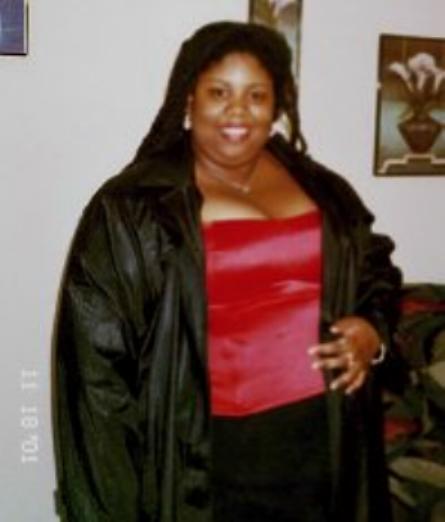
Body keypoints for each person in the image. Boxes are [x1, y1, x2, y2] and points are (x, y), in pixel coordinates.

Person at [52, 21, 402, 522]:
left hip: (324, 444)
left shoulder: (324, 189)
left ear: (276, 107)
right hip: (203, 461)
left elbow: (375, 268)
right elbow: (95, 375)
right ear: (188, 99)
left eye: (256, 95)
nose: (238, 110)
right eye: (219, 92)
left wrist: (372, 331)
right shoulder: (135, 206)